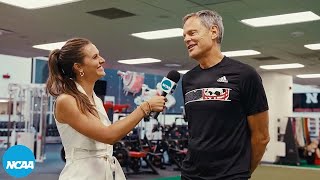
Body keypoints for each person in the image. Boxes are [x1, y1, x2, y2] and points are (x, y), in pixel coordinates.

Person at [46, 37, 166, 180]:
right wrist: (145, 107)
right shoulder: (66, 100)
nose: (102, 60)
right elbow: (108, 135)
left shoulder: (94, 99)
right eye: (95, 57)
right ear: (78, 67)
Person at [181, 10, 270, 180]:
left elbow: (262, 136)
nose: (186, 39)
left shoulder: (245, 75)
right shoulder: (188, 79)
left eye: (192, 33)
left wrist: (242, 172)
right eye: (184, 35)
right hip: (190, 175)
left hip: (230, 175)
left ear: (213, 32)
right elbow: (196, 131)